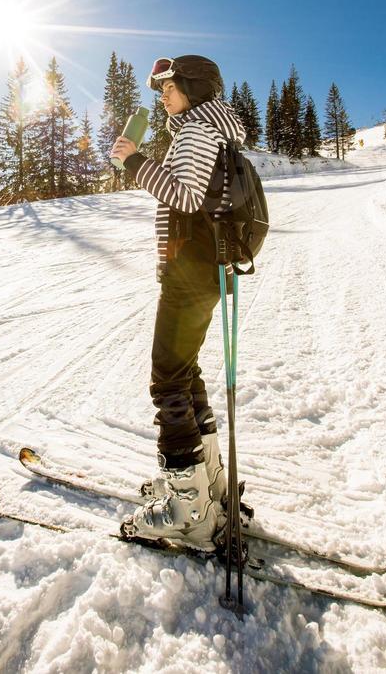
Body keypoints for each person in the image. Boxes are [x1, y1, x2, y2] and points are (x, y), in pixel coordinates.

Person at [110, 55, 247, 551]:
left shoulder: (194, 132)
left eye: (169, 86)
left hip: (190, 270)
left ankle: (188, 510)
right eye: (160, 88)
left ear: (192, 85)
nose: (163, 95)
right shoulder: (216, 128)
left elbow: (185, 198)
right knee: (184, 370)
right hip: (207, 269)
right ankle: (206, 484)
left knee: (167, 375)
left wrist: (133, 162)